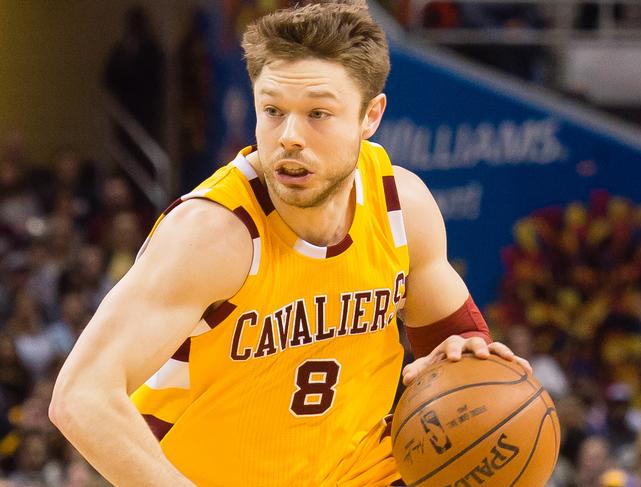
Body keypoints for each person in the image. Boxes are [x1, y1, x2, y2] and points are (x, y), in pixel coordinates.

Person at [50, 1, 529, 485]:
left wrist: (472, 362)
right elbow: (82, 395)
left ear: (371, 115)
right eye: (273, 111)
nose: (290, 137)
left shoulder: (401, 208)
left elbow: (455, 340)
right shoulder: (215, 234)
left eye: (318, 113)